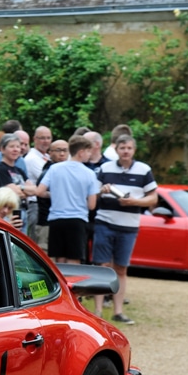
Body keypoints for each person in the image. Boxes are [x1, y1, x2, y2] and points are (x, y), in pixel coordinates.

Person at [93, 134, 158, 324]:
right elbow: (92, 193)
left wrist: (134, 201)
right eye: (122, 148)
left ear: (134, 150)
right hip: (104, 222)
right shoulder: (104, 168)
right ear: (116, 150)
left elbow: (153, 198)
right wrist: (102, 190)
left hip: (129, 226)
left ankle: (118, 311)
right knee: (102, 267)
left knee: (121, 268)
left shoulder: (144, 170)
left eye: (129, 148)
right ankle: (97, 311)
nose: (126, 151)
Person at [34, 135, 100, 264]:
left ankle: (59, 284)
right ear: (81, 152)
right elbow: (92, 205)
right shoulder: (89, 173)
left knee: (59, 259)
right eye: (88, 152)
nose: (89, 155)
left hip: (56, 220)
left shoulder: (54, 168)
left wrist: (57, 194)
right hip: (77, 220)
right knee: (74, 259)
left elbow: (39, 191)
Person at [0, 132, 37, 230]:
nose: (16, 149)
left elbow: (34, 190)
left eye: (18, 146)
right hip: (8, 212)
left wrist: (20, 188)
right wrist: (24, 189)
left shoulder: (19, 170)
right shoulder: (0, 169)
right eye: (12, 146)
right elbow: (13, 192)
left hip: (23, 211)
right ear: (2, 149)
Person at [32, 139, 70, 250]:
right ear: (50, 152)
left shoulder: (67, 170)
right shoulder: (49, 171)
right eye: (58, 150)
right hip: (46, 223)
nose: (62, 154)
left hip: (64, 222)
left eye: (65, 150)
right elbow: (39, 192)